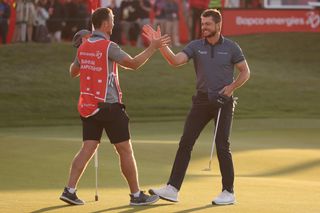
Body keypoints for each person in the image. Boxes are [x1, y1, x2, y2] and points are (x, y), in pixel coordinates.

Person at [59, 7, 170, 206]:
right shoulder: (109, 46)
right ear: (106, 24)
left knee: (87, 147)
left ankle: (69, 190)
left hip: (88, 106)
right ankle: (136, 195)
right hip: (109, 107)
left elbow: (72, 72)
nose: (114, 22)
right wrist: (153, 47)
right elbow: (134, 64)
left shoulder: (84, 46)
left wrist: (78, 49)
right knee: (125, 150)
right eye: (112, 19)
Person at [145, 9, 250, 205]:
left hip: (223, 102)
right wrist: (160, 46)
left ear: (218, 25)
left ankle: (228, 192)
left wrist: (231, 88)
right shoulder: (195, 46)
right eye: (202, 24)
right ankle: (172, 189)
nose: (204, 28)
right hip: (201, 101)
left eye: (208, 24)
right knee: (186, 142)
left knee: (222, 146)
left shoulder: (231, 47)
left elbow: (245, 72)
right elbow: (176, 61)